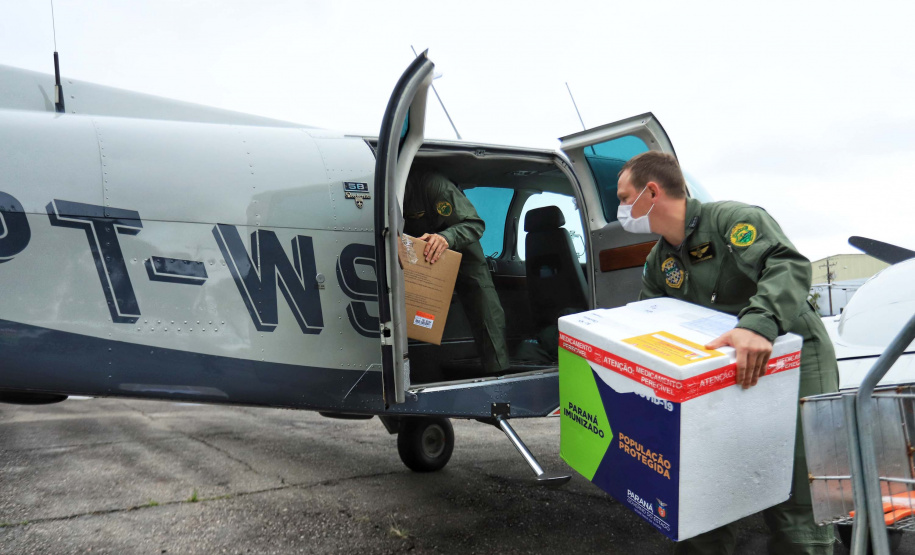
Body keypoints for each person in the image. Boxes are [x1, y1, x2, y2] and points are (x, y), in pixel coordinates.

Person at [616, 151, 838, 555]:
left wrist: (756, 323)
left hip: (790, 356)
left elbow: (787, 264)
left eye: (623, 196)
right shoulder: (658, 260)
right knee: (705, 486)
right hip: (719, 367)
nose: (620, 210)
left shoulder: (732, 220)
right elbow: (649, 323)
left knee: (795, 489)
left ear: (651, 192)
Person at [402, 168, 510, 374]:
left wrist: (446, 238)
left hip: (462, 249)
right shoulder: (382, 194)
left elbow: (474, 224)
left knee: (486, 311)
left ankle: (498, 373)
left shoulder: (433, 185)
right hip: (423, 257)